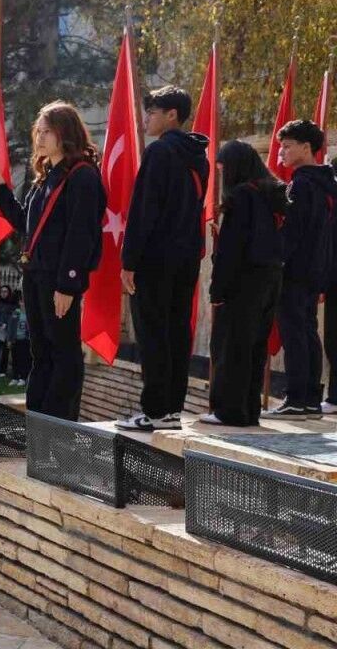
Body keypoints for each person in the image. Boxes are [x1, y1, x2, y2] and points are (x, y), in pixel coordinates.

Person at [0, 101, 106, 421]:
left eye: (48, 131)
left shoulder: (82, 176)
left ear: (66, 133)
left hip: (58, 279)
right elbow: (27, 224)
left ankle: (58, 426)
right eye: (39, 131)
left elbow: (81, 234)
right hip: (35, 274)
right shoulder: (45, 177)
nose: (40, 137)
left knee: (63, 352)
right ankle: (38, 420)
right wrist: (1, 190)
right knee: (41, 352)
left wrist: (68, 283)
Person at [115, 86, 211, 431]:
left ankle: (155, 411)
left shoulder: (159, 152)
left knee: (153, 333)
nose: (146, 119)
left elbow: (144, 210)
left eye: (153, 112)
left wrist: (129, 261)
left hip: (155, 259)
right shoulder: (199, 158)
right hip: (185, 259)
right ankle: (170, 410)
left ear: (172, 115)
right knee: (176, 333)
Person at [201, 141, 289, 426]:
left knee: (232, 346)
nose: (222, 174)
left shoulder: (242, 196)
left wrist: (217, 290)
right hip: (270, 279)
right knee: (255, 347)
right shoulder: (273, 194)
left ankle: (229, 411)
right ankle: (249, 409)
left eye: (223, 168)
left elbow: (232, 250)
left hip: (243, 282)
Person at [260, 120, 337, 418]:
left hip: (296, 271)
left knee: (295, 333)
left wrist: (276, 260)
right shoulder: (327, 184)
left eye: (288, 146)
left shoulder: (303, 184)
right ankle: (309, 400)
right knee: (308, 332)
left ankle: (295, 399)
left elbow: (293, 232)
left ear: (307, 148)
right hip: (317, 270)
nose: (282, 152)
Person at [7, 294, 31, 386]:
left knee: (24, 359)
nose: (23, 303)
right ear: (19, 302)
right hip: (15, 340)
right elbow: (10, 326)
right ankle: (15, 377)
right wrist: (9, 339)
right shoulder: (15, 313)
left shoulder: (29, 313)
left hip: (25, 340)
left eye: (24, 301)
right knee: (15, 359)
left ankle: (23, 377)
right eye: (22, 301)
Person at [0, 284, 17, 378]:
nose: (3, 293)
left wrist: (7, 325)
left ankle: (3, 370)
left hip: (7, 331)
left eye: (5, 291)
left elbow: (13, 317)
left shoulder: (12, 304)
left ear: (9, 293)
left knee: (5, 351)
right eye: (2, 291)